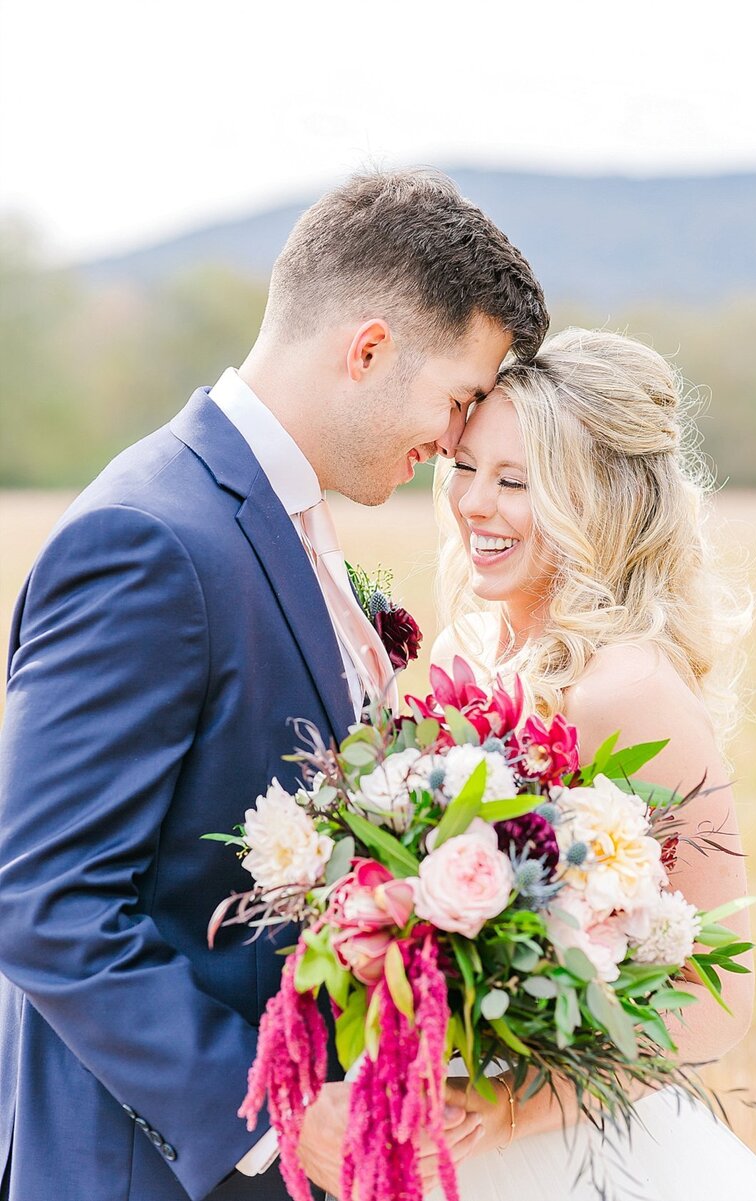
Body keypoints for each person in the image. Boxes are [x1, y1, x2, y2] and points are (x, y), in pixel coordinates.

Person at [0, 169, 548, 1201]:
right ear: (368, 350)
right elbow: (48, 899)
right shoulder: (150, 538)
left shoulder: (279, 518)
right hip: (145, 1169)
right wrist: (276, 1115)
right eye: (459, 398)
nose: (451, 443)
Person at [427, 327, 756, 1198]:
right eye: (466, 467)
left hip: (569, 1145)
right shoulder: (466, 647)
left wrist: (520, 1105)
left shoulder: (627, 689)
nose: (474, 503)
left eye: (515, 481)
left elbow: (715, 1000)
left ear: (598, 502)